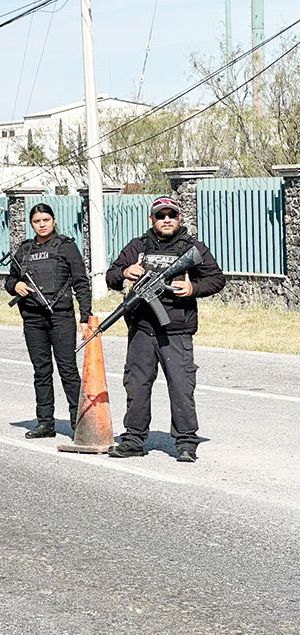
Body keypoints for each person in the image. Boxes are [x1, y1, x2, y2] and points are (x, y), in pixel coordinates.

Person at [105, 195, 225, 463]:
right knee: (136, 385)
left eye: (171, 215)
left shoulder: (192, 248)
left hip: (176, 330)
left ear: (179, 218)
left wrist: (193, 288)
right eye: (161, 215)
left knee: (181, 387)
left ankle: (185, 443)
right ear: (152, 219)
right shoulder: (137, 247)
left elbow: (217, 279)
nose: (167, 219)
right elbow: (110, 276)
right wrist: (125, 272)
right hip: (141, 329)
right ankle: (133, 440)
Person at [5, 203, 92, 439]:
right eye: (37, 221)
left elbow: (81, 283)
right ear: (31, 224)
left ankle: (79, 423)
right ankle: (45, 423)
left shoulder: (66, 247)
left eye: (45, 220)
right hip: (33, 319)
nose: (42, 224)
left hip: (61, 317)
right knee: (41, 371)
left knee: (68, 370)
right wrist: (16, 285)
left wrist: (85, 316)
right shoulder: (24, 251)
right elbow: (9, 280)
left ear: (53, 220)